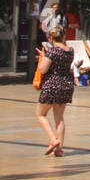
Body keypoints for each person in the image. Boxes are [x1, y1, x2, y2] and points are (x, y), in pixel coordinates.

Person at [35, 26, 75, 156]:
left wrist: (43, 56)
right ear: (63, 36)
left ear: (51, 38)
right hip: (67, 85)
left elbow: (43, 69)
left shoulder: (52, 52)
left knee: (41, 114)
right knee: (59, 118)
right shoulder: (70, 51)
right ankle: (59, 149)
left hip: (52, 85)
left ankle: (53, 140)